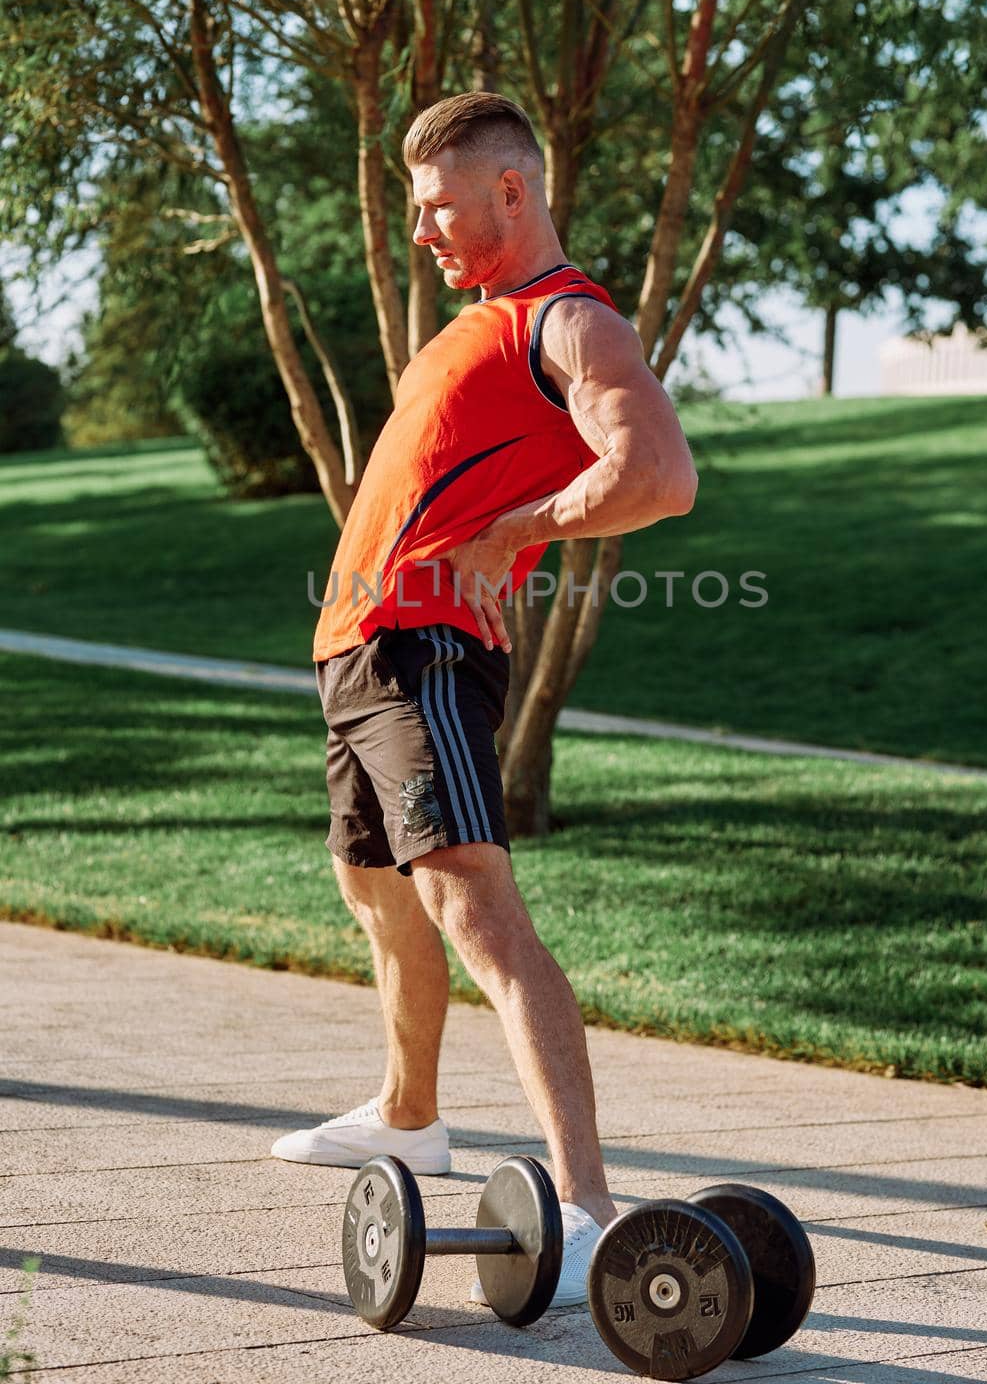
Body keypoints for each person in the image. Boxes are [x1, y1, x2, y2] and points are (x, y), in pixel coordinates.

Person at [272, 91, 698, 1308]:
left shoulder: (564, 321)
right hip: (360, 652)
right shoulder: (477, 323)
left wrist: (527, 525)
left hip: (426, 650)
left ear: (511, 192)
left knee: (475, 913)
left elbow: (656, 474)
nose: (420, 231)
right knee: (373, 889)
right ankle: (408, 1120)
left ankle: (586, 1208)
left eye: (436, 204)